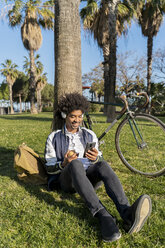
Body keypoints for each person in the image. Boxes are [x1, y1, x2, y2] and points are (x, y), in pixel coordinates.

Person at [44, 92, 152, 242]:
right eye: (73, 117)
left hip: (87, 179)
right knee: (75, 163)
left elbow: (98, 159)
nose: (77, 120)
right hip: (68, 181)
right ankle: (102, 215)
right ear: (65, 115)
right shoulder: (54, 137)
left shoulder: (89, 134)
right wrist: (64, 163)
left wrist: (96, 158)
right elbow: (49, 169)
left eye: (80, 116)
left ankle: (127, 214)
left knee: (102, 164)